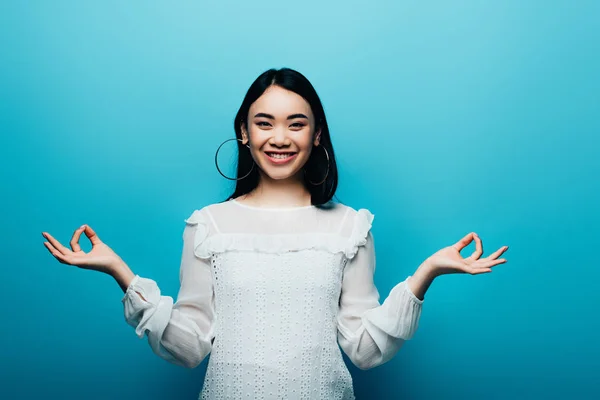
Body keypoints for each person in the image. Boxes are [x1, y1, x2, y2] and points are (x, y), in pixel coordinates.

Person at [41, 67, 509, 399]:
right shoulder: (209, 225)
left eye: (296, 123)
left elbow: (364, 350)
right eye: (263, 123)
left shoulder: (351, 227)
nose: (279, 137)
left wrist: (426, 274)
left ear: (317, 135)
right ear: (244, 132)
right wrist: (121, 274)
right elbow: (187, 348)